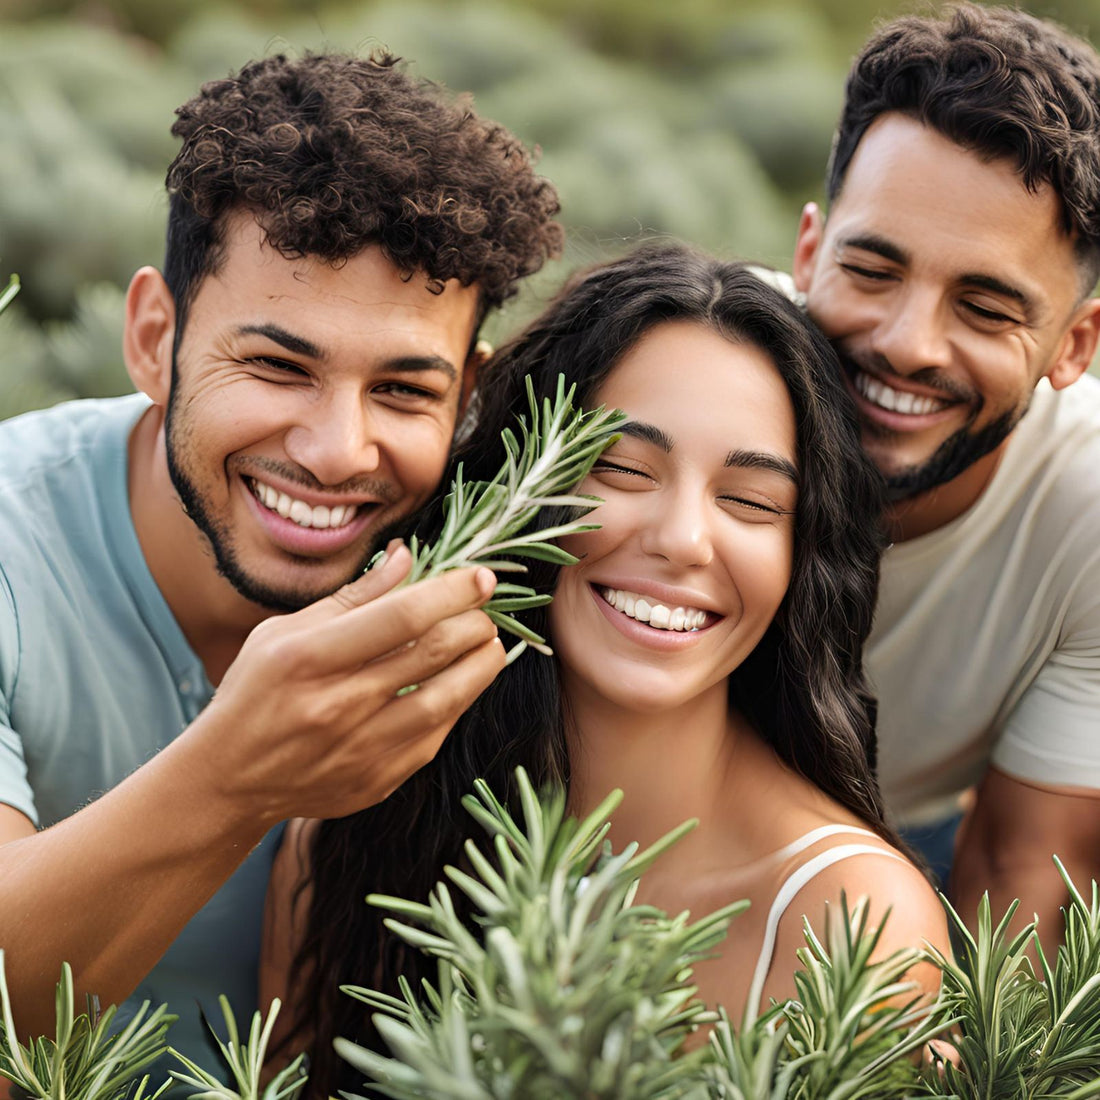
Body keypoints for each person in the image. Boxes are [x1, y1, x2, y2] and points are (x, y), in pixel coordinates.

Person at [263, 243, 949, 1098]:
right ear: (517, 483)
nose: (683, 539)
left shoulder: (852, 922)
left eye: (751, 502)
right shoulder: (351, 822)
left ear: (802, 556)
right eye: (622, 469)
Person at [0, 50, 562, 1069]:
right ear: (152, 337)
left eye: (403, 390)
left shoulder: (491, 582)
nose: (338, 450)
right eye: (275, 364)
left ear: (467, 393)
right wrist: (239, 775)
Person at [788, 3, 1100, 943]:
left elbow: (1022, 869)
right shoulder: (677, 382)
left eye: (986, 306)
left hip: (903, 823)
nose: (907, 346)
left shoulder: (1087, 515)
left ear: (1074, 344)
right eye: (873, 270)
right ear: (808, 252)